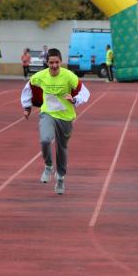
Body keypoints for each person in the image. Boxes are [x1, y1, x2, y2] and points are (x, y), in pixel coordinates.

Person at [20, 48, 90, 195]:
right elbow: (28, 88)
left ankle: (61, 178)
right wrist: (27, 107)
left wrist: (75, 99)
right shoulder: (41, 76)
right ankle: (48, 166)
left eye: (57, 62)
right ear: (47, 62)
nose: (54, 66)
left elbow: (85, 92)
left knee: (61, 148)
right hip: (48, 113)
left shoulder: (69, 76)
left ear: (61, 62)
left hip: (65, 117)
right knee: (45, 140)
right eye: (51, 62)